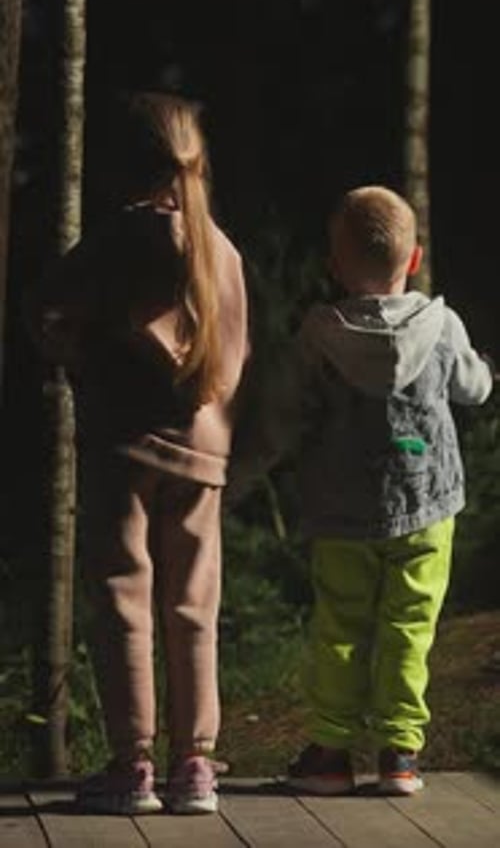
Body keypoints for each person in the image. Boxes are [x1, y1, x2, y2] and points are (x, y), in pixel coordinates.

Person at [25, 93, 248, 814]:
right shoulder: (223, 249)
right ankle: (196, 768)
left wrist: (81, 356)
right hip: (203, 450)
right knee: (193, 606)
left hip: (123, 442)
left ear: (126, 167)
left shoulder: (116, 239)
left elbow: (45, 308)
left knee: (124, 593)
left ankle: (134, 767)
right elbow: (236, 360)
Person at [287, 185, 494, 796]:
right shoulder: (441, 324)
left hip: (341, 508)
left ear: (334, 265)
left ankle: (330, 753)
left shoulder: (320, 332)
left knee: (341, 625)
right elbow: (475, 389)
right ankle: (399, 753)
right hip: (427, 504)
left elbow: (288, 406)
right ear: (414, 259)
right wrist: (483, 367)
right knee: (410, 625)